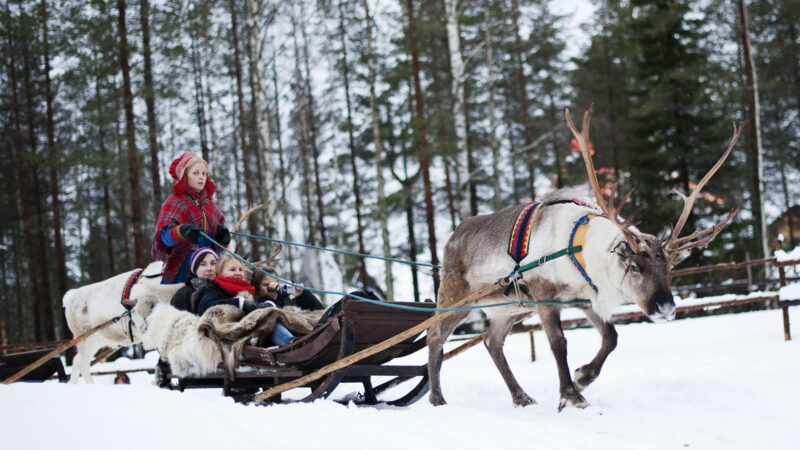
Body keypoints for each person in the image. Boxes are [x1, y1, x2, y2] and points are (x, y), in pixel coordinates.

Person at [152, 151, 230, 284]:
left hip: (211, 268)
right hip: (183, 267)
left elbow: (218, 246)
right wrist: (181, 231)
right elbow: (164, 238)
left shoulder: (211, 206)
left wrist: (223, 240)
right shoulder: (174, 202)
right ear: (184, 176)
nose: (201, 177)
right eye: (196, 173)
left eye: (204, 173)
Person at [195, 253, 295, 346]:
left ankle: (299, 340)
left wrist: (269, 302)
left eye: (240, 269)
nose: (238, 273)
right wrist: (240, 303)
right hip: (229, 331)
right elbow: (206, 306)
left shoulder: (249, 289)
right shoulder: (215, 288)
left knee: (276, 316)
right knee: (267, 321)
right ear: (219, 272)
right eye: (232, 270)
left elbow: (257, 305)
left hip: (251, 329)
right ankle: (290, 343)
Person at [250, 265, 324, 312]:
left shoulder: (284, 295)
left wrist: (303, 293)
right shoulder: (256, 305)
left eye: (275, 283)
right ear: (256, 287)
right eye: (266, 285)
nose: (272, 287)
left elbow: (321, 312)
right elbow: (284, 317)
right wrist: (273, 298)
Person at [170, 247, 218, 312]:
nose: (209, 269)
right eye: (203, 264)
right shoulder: (183, 295)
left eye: (213, 264)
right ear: (195, 269)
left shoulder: (225, 290)